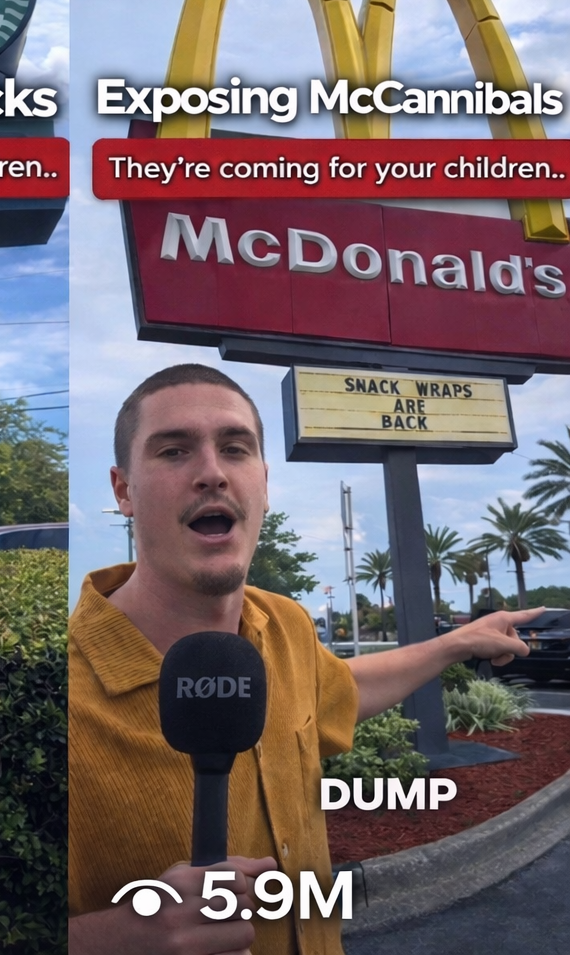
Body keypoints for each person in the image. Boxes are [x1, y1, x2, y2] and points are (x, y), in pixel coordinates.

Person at [68, 363, 539, 955]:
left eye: (235, 448)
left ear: (263, 483)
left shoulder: (285, 624)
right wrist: (113, 939)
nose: (212, 472)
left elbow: (337, 689)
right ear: (123, 491)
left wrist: (459, 642)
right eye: (173, 451)